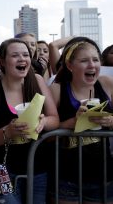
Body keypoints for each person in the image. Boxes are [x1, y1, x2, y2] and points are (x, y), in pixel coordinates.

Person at [0, 38, 59, 204]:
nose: (22, 59)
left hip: (37, 166)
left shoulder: (37, 80)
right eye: (15, 55)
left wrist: (44, 122)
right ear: (2, 61)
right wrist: (7, 132)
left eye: (26, 55)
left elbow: (54, 119)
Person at [49, 37, 113, 203]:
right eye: (84, 60)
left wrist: (111, 121)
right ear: (70, 65)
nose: (92, 65)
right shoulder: (57, 89)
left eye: (95, 60)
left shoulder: (107, 83)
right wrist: (72, 123)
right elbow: (44, 131)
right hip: (66, 177)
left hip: (103, 175)